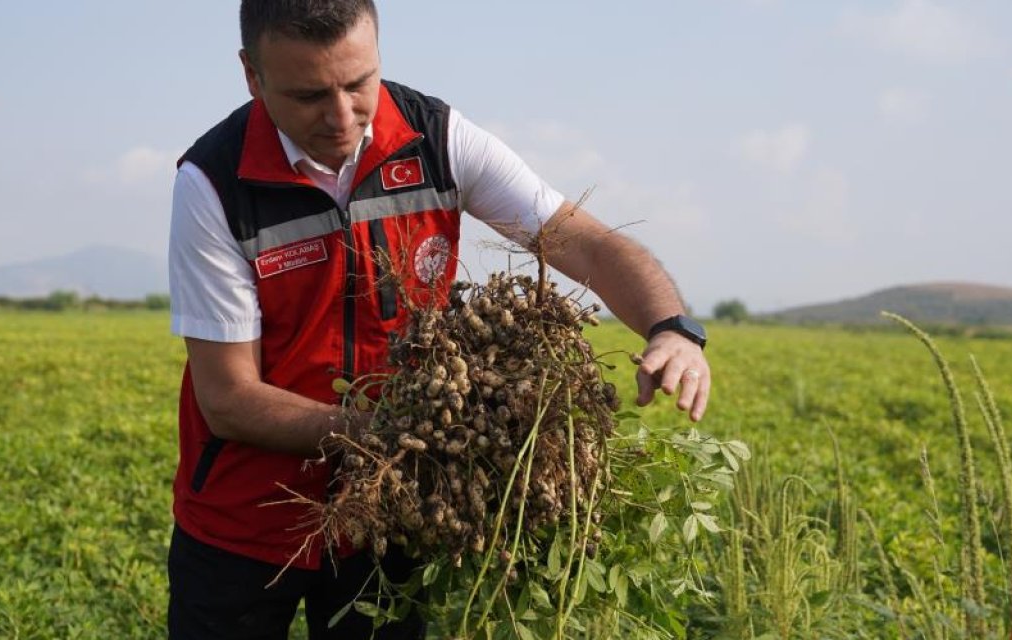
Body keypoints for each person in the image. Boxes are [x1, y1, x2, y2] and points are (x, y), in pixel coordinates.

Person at [165, 1, 711, 638]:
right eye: (309, 94)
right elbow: (229, 398)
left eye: (358, 83)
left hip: (391, 515)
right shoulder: (213, 182)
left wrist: (670, 325)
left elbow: (580, 240)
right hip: (244, 521)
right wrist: (402, 433)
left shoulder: (435, 136)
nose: (342, 116)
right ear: (252, 76)